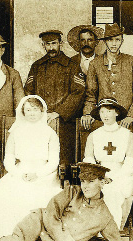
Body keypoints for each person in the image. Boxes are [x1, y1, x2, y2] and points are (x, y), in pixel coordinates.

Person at [0, 95, 63, 237]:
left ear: (42, 111)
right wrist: (18, 173)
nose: (32, 113)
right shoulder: (16, 132)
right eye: (28, 110)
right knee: (2, 189)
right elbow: (9, 158)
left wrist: (38, 174)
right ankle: (11, 233)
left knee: (36, 192)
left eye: (35, 110)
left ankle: (36, 233)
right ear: (23, 112)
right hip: (21, 170)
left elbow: (54, 161)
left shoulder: (50, 133)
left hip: (44, 173)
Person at [24, 30, 86, 164]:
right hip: (41, 121)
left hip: (65, 124)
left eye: (54, 43)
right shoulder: (37, 66)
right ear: (43, 45)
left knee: (64, 160)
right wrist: (38, 112)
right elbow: (29, 91)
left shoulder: (72, 66)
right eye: (48, 44)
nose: (51, 47)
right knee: (41, 157)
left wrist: (58, 113)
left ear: (60, 44)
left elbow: (78, 92)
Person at [83, 98, 133, 230]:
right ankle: (96, 230)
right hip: (99, 173)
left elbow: (130, 161)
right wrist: (99, 176)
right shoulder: (94, 135)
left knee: (114, 190)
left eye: (109, 111)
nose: (105, 115)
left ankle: (112, 230)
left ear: (116, 113)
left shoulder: (127, 135)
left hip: (122, 173)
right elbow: (89, 159)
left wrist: (115, 178)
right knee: (97, 189)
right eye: (102, 112)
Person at [81, 23, 133, 135]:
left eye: (117, 40)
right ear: (105, 41)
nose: (114, 44)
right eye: (110, 40)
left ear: (122, 41)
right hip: (103, 121)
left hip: (126, 121)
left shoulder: (130, 61)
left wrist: (131, 116)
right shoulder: (95, 64)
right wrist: (87, 113)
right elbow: (91, 94)